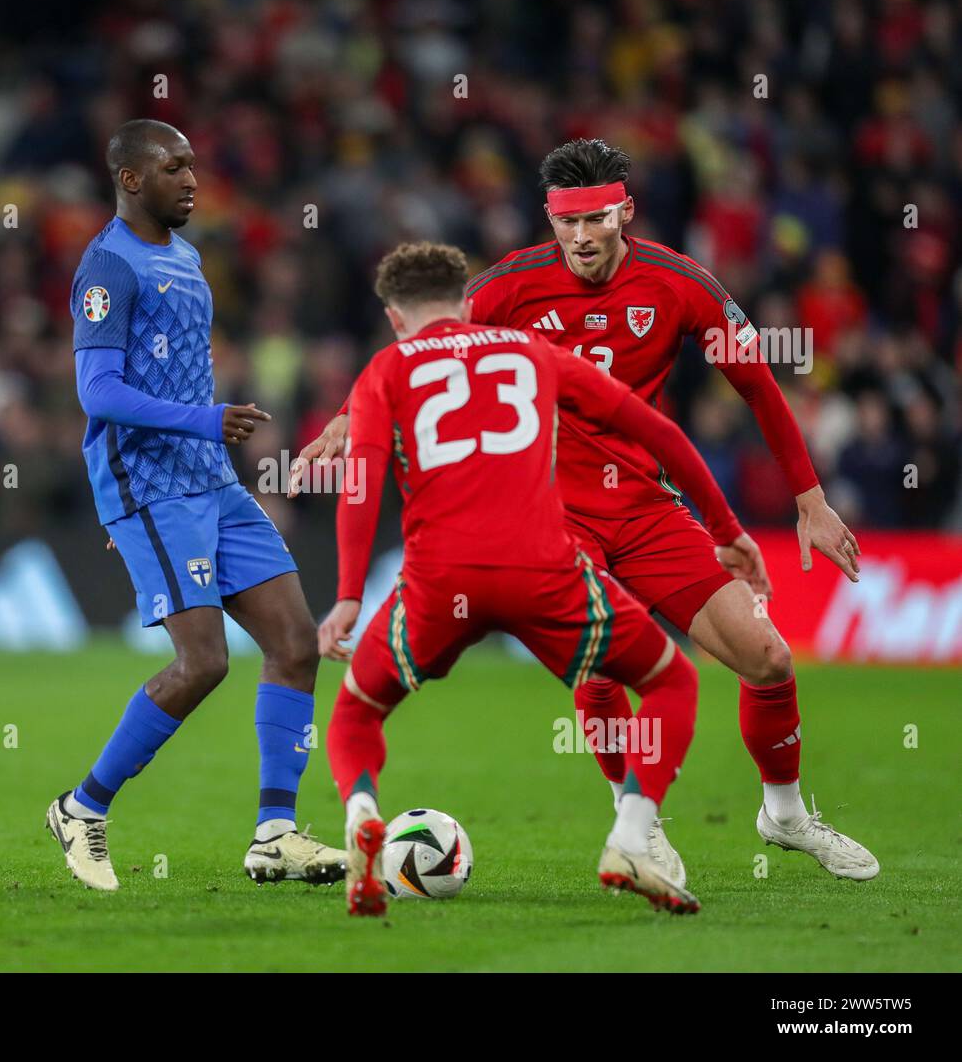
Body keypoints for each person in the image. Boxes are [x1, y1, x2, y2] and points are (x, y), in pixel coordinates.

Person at [298, 140, 878, 884]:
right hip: (552, 513)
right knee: (600, 671)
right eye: (567, 221)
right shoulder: (509, 285)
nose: (580, 237)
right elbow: (424, 348)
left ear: (624, 211)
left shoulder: (679, 283)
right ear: (550, 217)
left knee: (768, 659)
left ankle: (786, 812)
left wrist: (809, 499)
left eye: (596, 219)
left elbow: (758, 383)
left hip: (645, 505)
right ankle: (636, 823)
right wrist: (351, 415)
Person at [322, 241, 763, 917]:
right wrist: (727, 529)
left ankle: (360, 811)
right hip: (546, 569)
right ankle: (632, 832)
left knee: (358, 709)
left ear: (394, 317)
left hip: (441, 581)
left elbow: (359, 480)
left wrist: (350, 594)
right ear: (468, 304)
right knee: (672, 678)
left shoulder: (385, 369)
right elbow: (661, 435)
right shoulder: (534, 353)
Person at [46, 119, 343, 891]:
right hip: (152, 484)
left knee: (296, 640)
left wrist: (207, 438)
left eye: (194, 165)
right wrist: (201, 427)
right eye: (174, 166)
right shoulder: (107, 264)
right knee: (204, 661)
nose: (192, 179)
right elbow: (98, 391)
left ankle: (275, 830)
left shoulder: (187, 256)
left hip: (210, 480)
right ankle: (83, 805)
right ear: (131, 179)